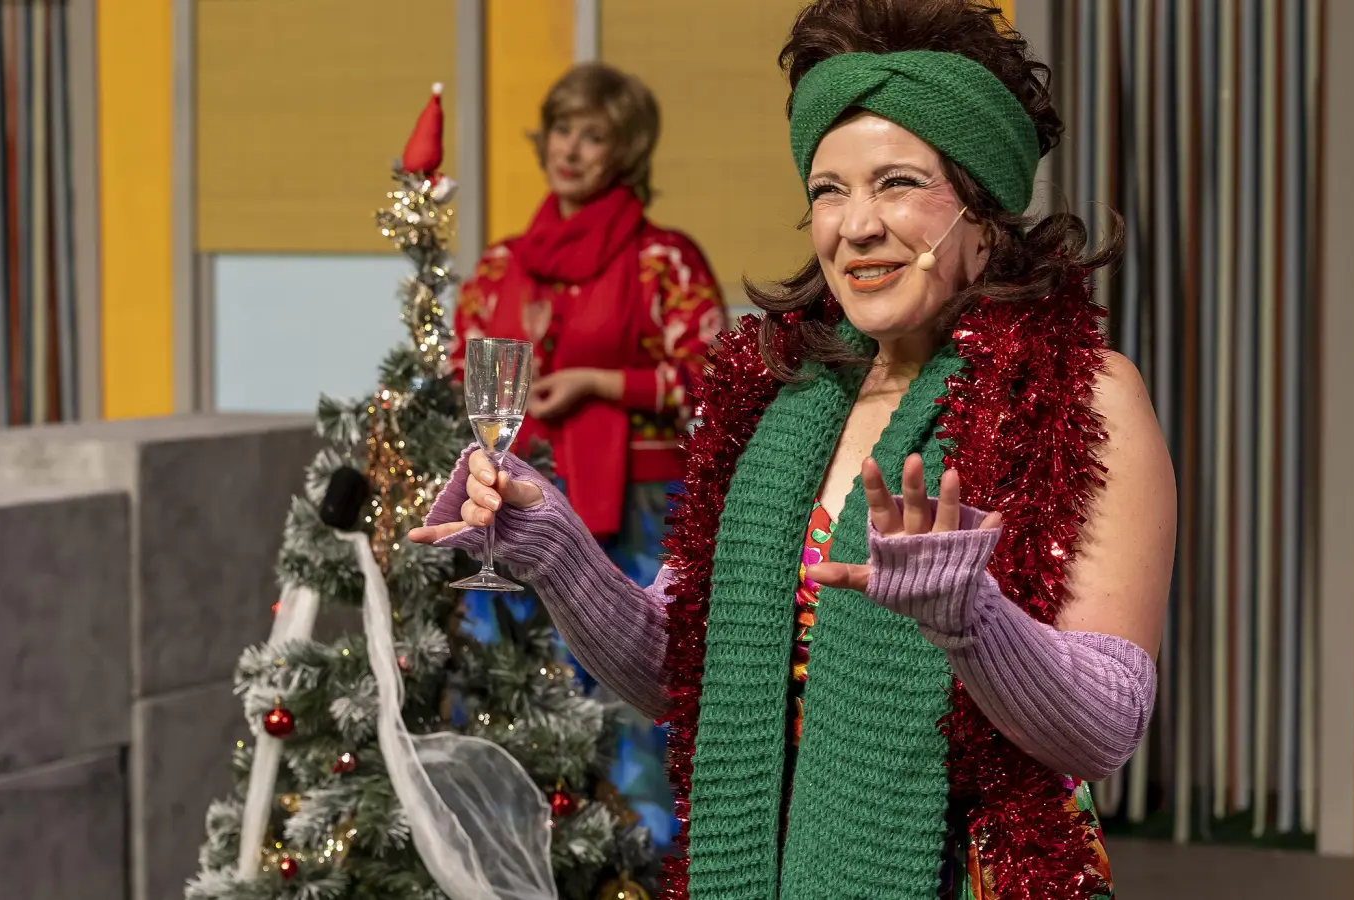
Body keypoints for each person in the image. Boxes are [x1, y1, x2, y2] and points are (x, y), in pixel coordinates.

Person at [416, 2, 1174, 896]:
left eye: (897, 183)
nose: (855, 226)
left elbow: (1106, 727)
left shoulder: (1088, 391)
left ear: (986, 206)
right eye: (828, 189)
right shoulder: (783, 398)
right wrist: (553, 545)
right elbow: (678, 668)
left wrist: (969, 619)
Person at [449, 63, 725, 852]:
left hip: (637, 510)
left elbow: (712, 375)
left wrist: (601, 382)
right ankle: (512, 854)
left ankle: (647, 859)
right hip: (512, 502)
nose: (571, 149)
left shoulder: (660, 260)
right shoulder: (502, 264)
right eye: (563, 129)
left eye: (593, 135)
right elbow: (454, 369)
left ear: (625, 151)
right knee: (512, 687)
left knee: (633, 693)